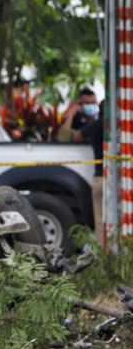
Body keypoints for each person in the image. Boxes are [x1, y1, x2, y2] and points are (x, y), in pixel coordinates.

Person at [71, 100, 105, 246]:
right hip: (121, 181)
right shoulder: (124, 128)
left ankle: (104, 255)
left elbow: (75, 137)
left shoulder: (95, 126)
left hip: (100, 179)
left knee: (100, 221)